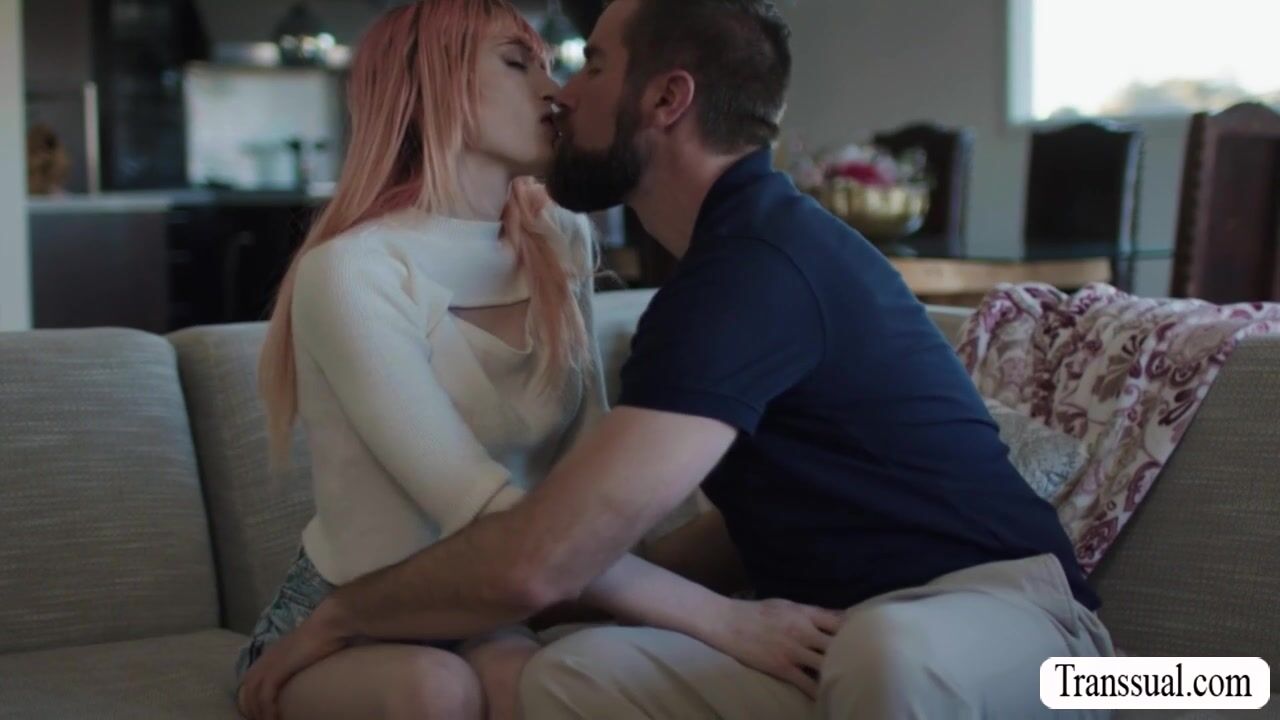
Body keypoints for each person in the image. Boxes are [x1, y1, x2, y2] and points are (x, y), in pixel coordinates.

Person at [241, 0, 1116, 718]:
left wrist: (350, 614)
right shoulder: (692, 294)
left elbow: (546, 552)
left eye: (589, 65)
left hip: (1020, 632)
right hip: (843, 637)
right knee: (569, 677)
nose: (562, 91)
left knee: (889, 656)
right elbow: (594, 531)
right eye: (532, 64)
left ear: (665, 100)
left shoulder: (759, 270)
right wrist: (698, 615)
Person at [235, 2, 842, 719]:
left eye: (550, 65)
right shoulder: (353, 271)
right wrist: (725, 620)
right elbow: (480, 512)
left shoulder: (559, 237)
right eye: (517, 63)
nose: (555, 91)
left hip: (488, 603)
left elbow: (588, 471)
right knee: (435, 691)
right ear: (433, 85)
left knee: (533, 684)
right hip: (345, 613)